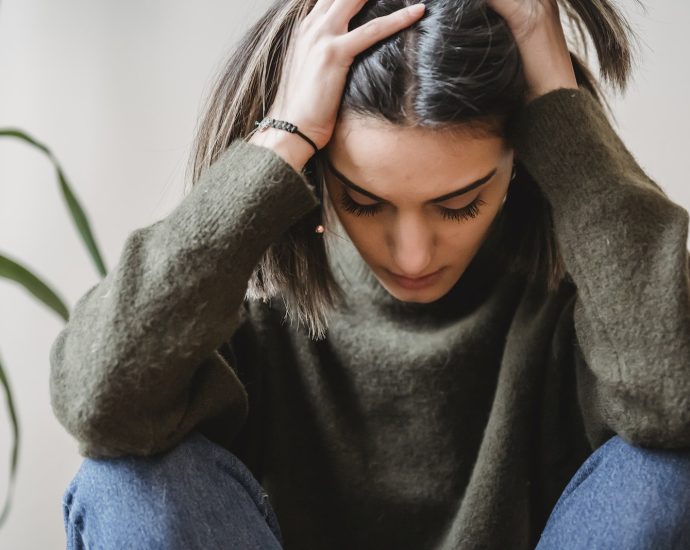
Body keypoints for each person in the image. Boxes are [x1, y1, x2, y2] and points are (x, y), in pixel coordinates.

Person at [50, 0, 690, 548]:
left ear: (521, 163)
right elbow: (98, 400)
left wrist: (556, 99)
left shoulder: (593, 317)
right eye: (364, 200)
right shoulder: (241, 309)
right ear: (319, 169)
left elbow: (675, 398)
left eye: (458, 203)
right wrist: (284, 132)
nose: (412, 256)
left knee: (671, 469)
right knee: (126, 481)